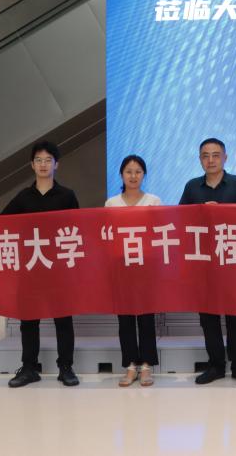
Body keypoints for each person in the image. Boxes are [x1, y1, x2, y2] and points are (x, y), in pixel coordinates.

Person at [2, 141, 81, 388]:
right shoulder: (23, 197)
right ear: (32, 165)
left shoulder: (67, 196)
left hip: (58, 269)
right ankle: (29, 368)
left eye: (48, 160)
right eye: (39, 160)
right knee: (28, 320)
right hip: (31, 267)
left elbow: (77, 230)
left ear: (57, 164)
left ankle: (66, 367)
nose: (43, 164)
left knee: (63, 319)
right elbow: (0, 224)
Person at [178, 138, 236, 386]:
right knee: (208, 317)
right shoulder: (192, 187)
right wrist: (201, 210)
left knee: (235, 315)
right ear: (200, 159)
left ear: (225, 157)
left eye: (215, 155)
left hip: (231, 258)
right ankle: (216, 365)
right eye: (205, 155)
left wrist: (221, 211)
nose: (210, 160)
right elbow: (180, 219)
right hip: (203, 260)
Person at [104, 154, 161, 387]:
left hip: (146, 268)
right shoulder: (111, 203)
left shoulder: (154, 201)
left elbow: (159, 233)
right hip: (121, 268)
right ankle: (130, 365)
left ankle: (146, 366)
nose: (133, 176)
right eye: (129, 171)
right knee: (125, 319)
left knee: (146, 318)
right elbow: (107, 235)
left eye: (138, 171)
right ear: (121, 175)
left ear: (144, 175)